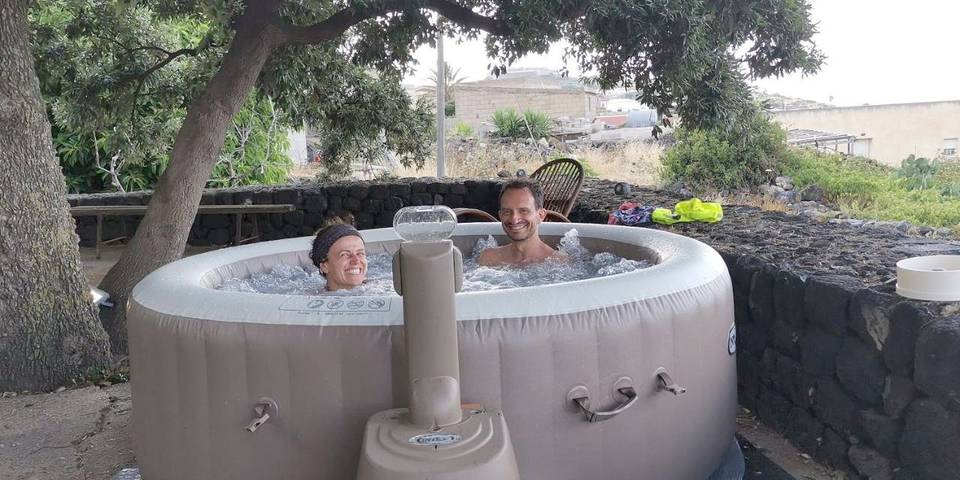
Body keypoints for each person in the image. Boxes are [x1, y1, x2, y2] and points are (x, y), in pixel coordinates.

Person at [478, 178, 562, 267]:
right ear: (500, 215)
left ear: (540, 215)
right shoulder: (488, 258)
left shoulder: (559, 263)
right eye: (507, 211)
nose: (514, 219)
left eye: (523, 211)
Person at [310, 224, 367, 291]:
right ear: (324, 266)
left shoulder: (380, 290)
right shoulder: (307, 298)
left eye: (360, 253)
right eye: (345, 254)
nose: (356, 260)